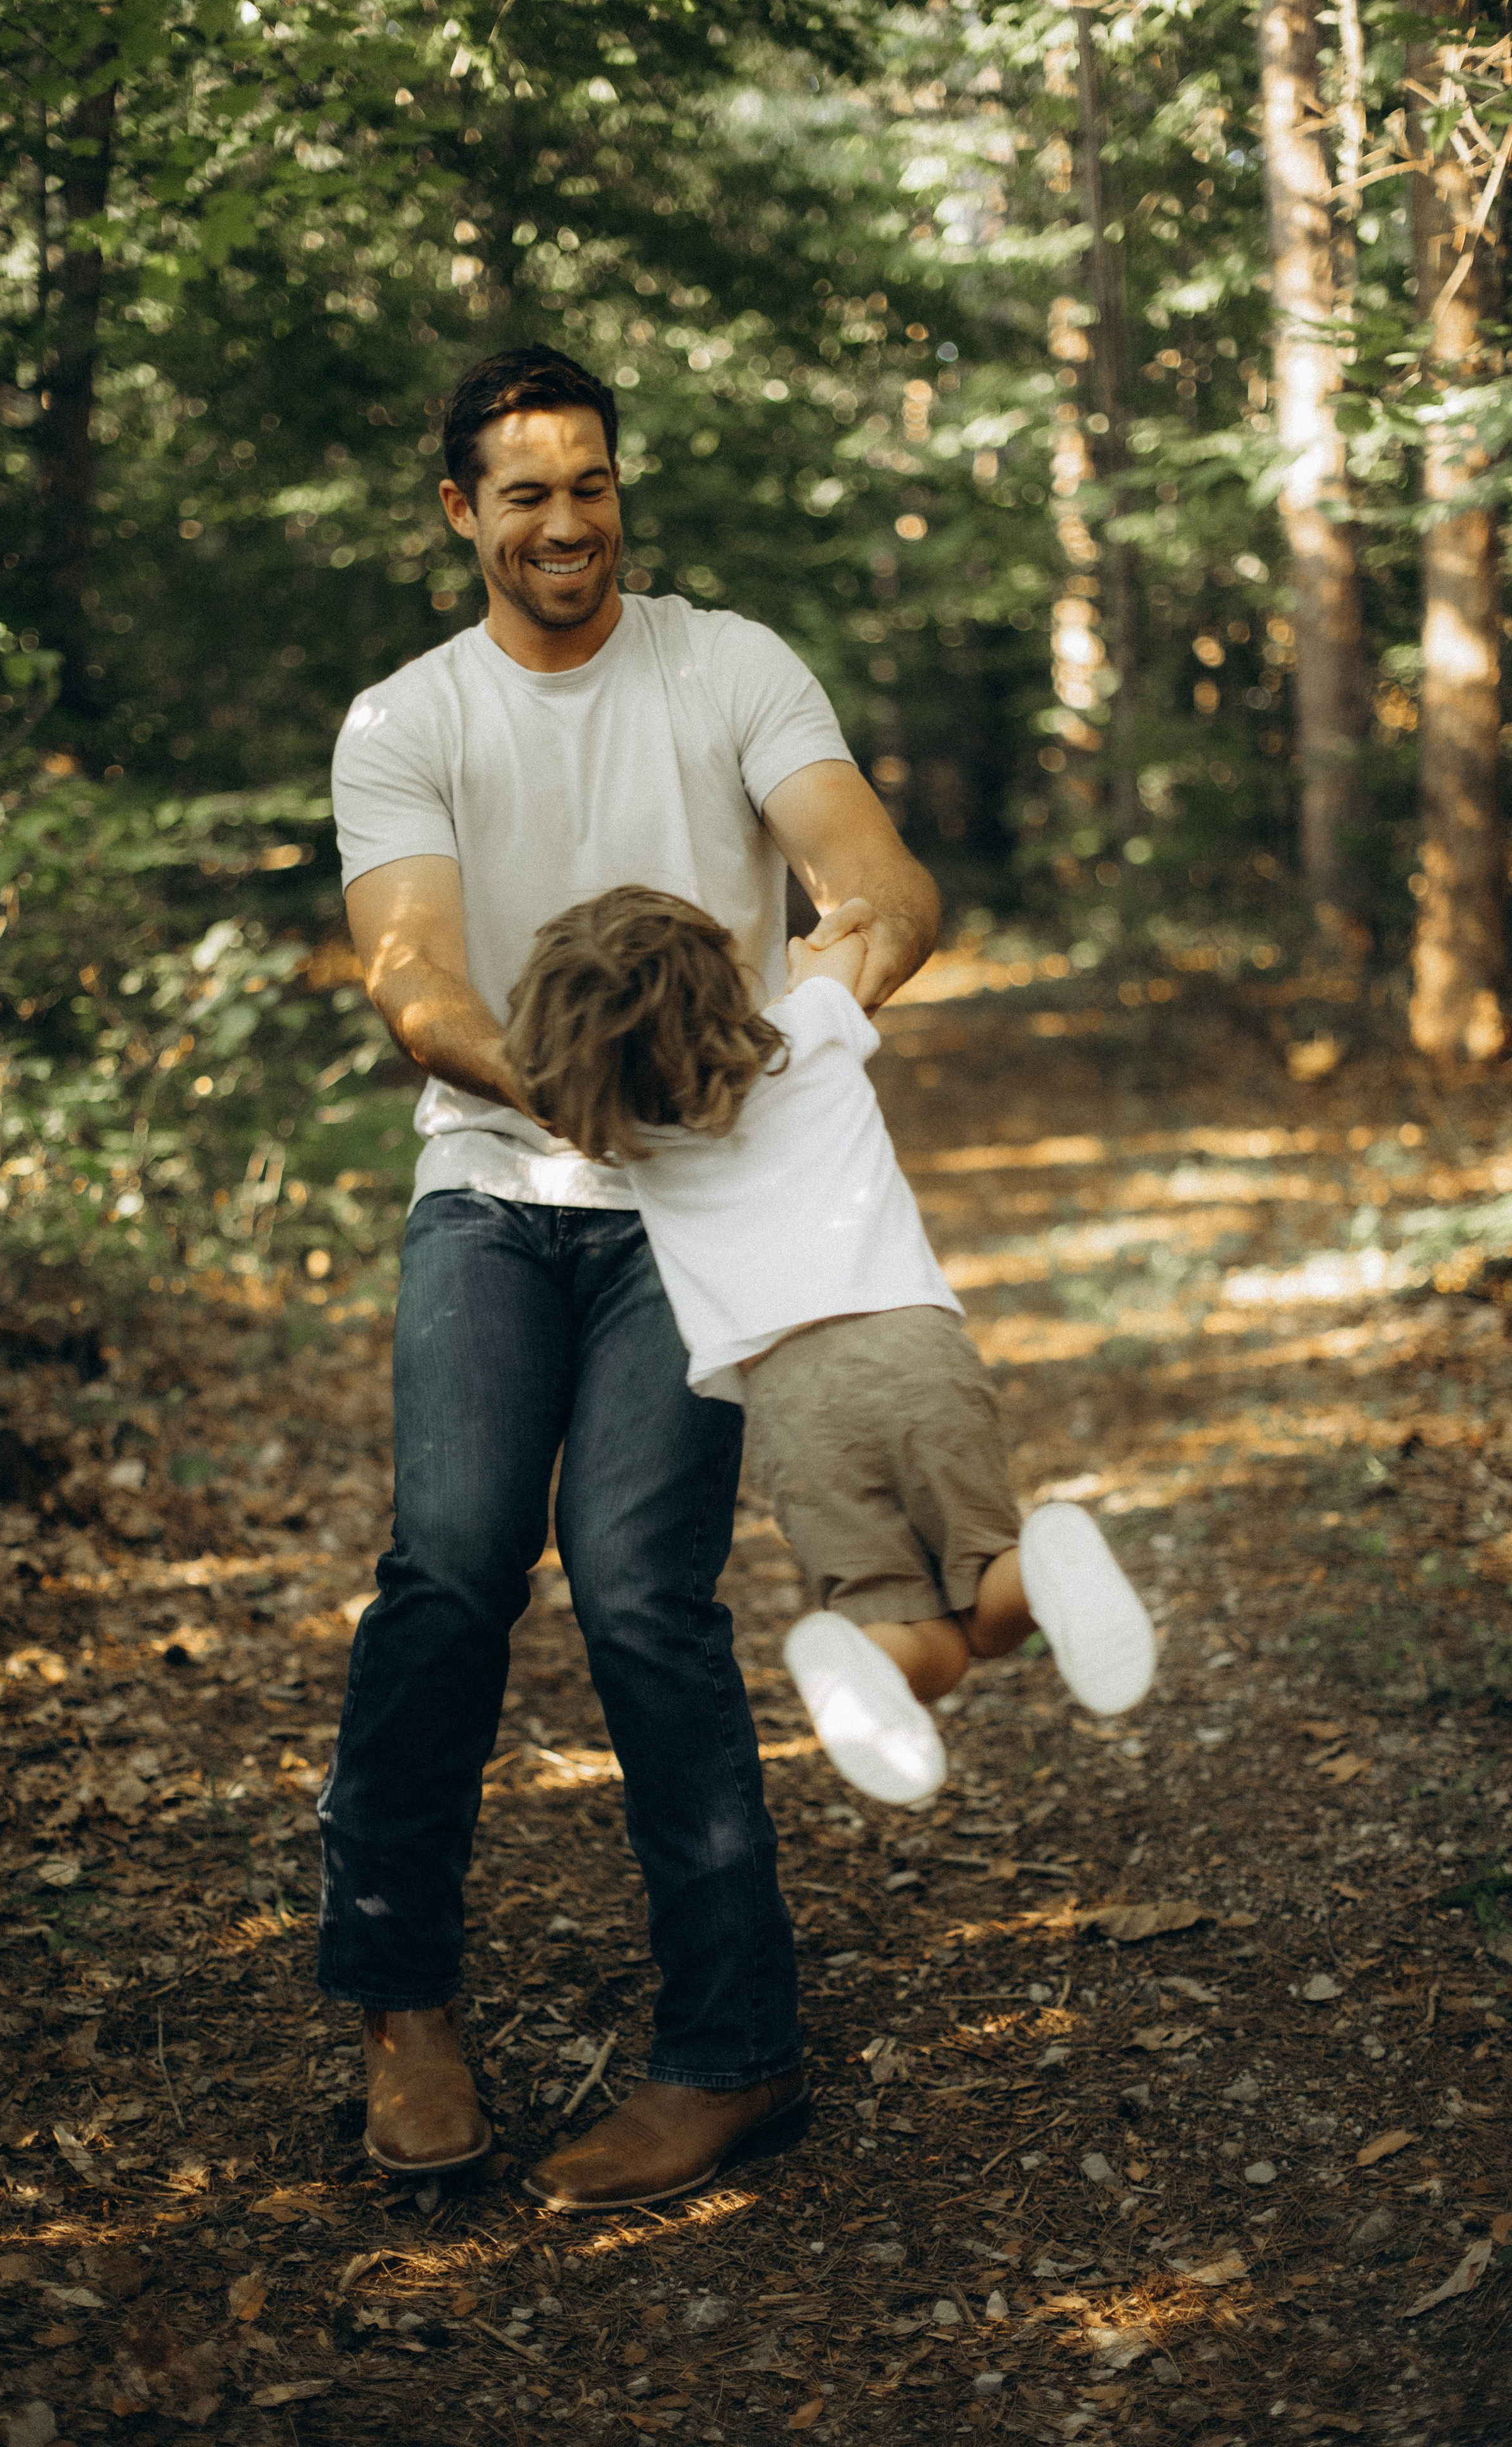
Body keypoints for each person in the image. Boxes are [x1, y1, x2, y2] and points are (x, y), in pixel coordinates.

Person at [320, 342, 943, 2214]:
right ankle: (401, 2003)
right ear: (463, 512)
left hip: (704, 1204)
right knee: (448, 1565)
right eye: (525, 492)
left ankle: (734, 2054)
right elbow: (415, 983)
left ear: (618, 492)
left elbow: (881, 890)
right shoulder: (405, 718)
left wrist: (781, 1035)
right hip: (495, 1186)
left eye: (588, 485)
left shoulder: (728, 666)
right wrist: (571, 1081)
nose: (565, 521)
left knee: (640, 1589)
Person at [505, 886, 1157, 1807]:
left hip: (791, 1401)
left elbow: (555, 1094)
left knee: (923, 1637)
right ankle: (1039, 1573)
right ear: (724, 974)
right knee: (988, 1603)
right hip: (914, 1349)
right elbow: (847, 947)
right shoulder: (811, 1029)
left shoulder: (629, 1135)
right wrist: (818, 951)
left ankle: (873, 1666)